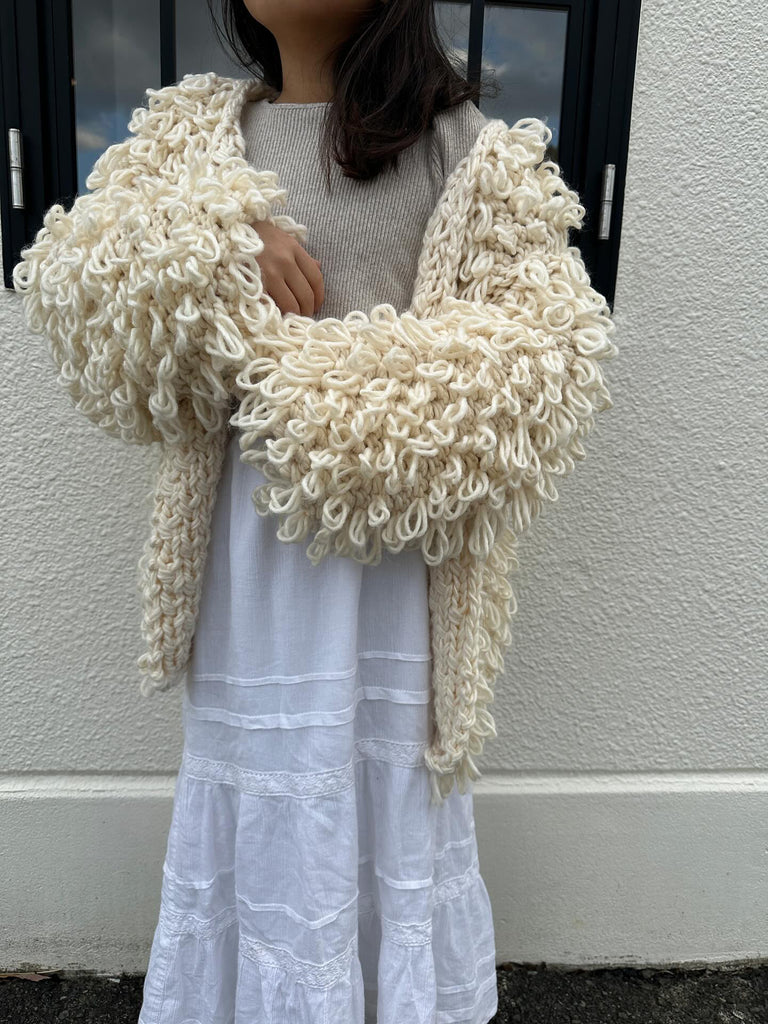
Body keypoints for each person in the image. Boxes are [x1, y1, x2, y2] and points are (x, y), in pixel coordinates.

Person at [138, 2, 500, 1022]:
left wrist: (349, 406)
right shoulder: (202, 135)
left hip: (390, 538)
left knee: (383, 767)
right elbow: (107, 283)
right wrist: (217, 241)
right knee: (269, 766)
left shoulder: (454, 140)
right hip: (253, 543)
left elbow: (523, 344)